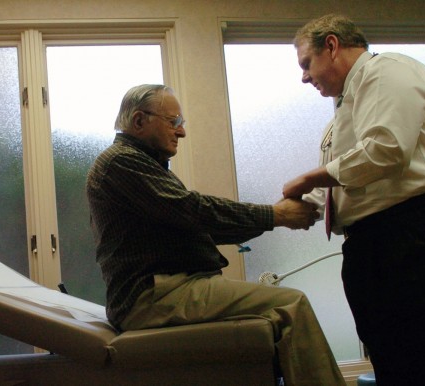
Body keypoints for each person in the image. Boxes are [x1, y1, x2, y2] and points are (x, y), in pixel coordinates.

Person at [86, 84, 345, 386]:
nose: (181, 132)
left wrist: (273, 217)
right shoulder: (122, 162)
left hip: (165, 290)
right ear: (140, 121)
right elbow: (195, 211)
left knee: (276, 311)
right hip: (152, 297)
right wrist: (277, 215)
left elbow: (193, 222)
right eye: (174, 122)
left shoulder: (140, 164)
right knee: (291, 305)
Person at [283, 14, 425, 386]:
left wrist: (310, 178)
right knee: (396, 368)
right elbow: (336, 186)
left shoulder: (388, 71)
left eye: (306, 64)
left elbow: (386, 149)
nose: (304, 77)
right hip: (374, 247)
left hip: (421, 236)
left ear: (331, 45)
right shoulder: (340, 117)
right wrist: (275, 212)